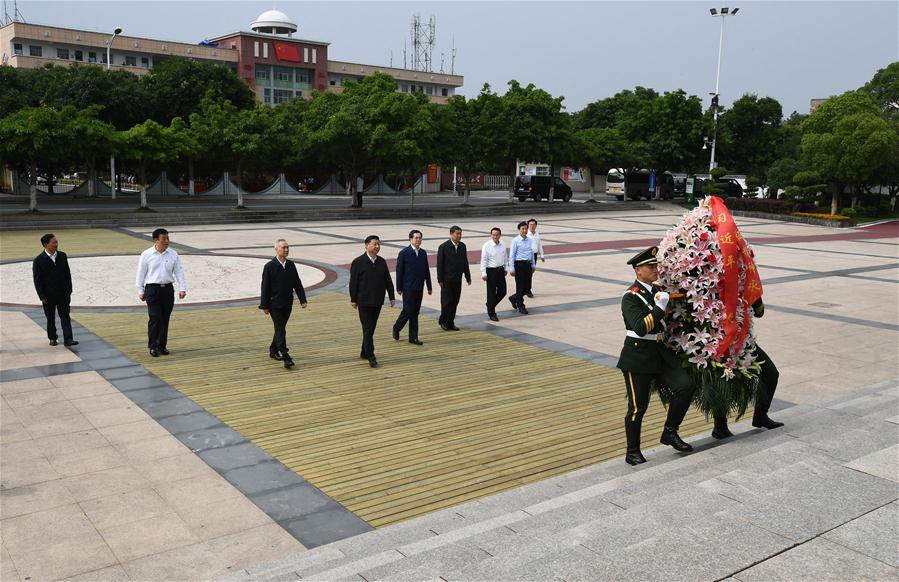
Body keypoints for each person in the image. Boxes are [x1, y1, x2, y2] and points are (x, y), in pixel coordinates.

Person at [617, 246, 695, 465]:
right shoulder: (630, 297)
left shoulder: (656, 290)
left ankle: (670, 431)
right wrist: (660, 306)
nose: (655, 269)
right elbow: (641, 328)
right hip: (638, 355)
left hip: (660, 351)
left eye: (655, 266)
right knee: (638, 407)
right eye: (650, 266)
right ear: (638, 270)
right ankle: (632, 451)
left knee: (685, 386)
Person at [711, 297, 785, 438]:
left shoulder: (746, 285)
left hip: (744, 341)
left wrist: (754, 296)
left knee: (770, 373)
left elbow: (759, 313)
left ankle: (761, 415)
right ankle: (720, 426)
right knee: (722, 380)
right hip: (719, 342)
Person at [135, 228, 187, 357]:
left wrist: (182, 288)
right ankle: (153, 346)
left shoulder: (173, 254)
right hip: (152, 289)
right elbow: (140, 273)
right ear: (156, 240)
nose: (167, 241)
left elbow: (179, 271)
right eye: (164, 239)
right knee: (155, 317)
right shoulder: (146, 254)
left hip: (167, 290)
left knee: (164, 318)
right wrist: (140, 290)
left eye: (168, 238)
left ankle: (162, 345)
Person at [259, 239, 308, 369]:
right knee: (280, 328)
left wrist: (302, 299)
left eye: (287, 247)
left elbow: (297, 282)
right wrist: (264, 305)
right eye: (283, 247)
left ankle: (273, 350)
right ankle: (286, 356)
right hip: (274, 305)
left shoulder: (291, 265)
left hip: (287, 303)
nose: (286, 250)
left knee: (280, 328)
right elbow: (265, 287)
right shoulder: (269, 266)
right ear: (276, 249)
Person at [349, 235, 395, 368]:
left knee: (371, 327)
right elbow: (353, 282)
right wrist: (353, 299)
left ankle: (364, 351)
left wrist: (391, 296)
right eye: (374, 244)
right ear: (366, 245)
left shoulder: (382, 262)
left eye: (379, 244)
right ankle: (371, 355)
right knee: (368, 327)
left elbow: (387, 280)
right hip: (363, 301)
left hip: (377, 300)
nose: (377, 246)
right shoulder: (358, 262)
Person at [32, 233, 77, 347]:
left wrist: (69, 289)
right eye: (53, 242)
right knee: (50, 318)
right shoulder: (38, 260)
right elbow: (37, 280)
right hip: (48, 296)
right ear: (45, 244)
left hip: (63, 293)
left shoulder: (62, 256)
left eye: (56, 242)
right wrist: (42, 296)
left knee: (65, 315)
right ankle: (52, 338)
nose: (56, 244)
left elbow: (67, 273)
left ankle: (68, 339)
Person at [393, 229, 432, 345]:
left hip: (419, 286)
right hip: (408, 287)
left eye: (420, 238)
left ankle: (413, 337)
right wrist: (399, 287)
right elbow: (399, 271)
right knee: (408, 311)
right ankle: (397, 328)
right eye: (416, 238)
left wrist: (429, 286)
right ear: (410, 239)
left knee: (415, 312)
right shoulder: (404, 253)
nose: (418, 240)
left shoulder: (423, 253)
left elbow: (426, 270)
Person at [436, 225, 471, 331]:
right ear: (451, 234)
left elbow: (465, 262)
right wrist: (440, 279)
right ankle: (443, 321)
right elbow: (439, 265)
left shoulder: (462, 246)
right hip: (447, 280)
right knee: (446, 302)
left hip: (457, 279)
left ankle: (450, 322)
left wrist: (468, 276)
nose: (459, 236)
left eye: (460, 234)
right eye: (457, 233)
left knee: (455, 301)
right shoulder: (443, 247)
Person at [507, 221, 536, 315]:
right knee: (520, 286)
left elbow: (531, 253)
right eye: (523, 229)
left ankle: (514, 298)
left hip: (528, 265)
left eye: (526, 229)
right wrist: (511, 268)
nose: (524, 230)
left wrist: (533, 265)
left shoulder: (529, 240)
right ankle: (521, 305)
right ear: (519, 230)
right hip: (519, 265)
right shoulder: (515, 240)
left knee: (528, 287)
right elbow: (512, 255)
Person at [480, 227, 507, 322]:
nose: (495, 237)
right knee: (491, 293)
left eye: (497, 235)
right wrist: (483, 273)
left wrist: (505, 268)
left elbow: (505, 256)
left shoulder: (503, 243)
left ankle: (490, 305)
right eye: (493, 235)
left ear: (500, 235)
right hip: (491, 271)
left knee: (503, 291)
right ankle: (492, 313)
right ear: (491, 235)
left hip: (500, 270)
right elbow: (483, 260)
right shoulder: (486, 246)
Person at [526, 218, 545, 298]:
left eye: (534, 224)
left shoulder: (537, 234)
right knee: (527, 273)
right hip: (527, 256)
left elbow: (539, 245)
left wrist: (542, 255)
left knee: (531, 272)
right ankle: (528, 290)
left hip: (534, 255)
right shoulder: (526, 234)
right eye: (530, 224)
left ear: (536, 225)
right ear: (528, 225)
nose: (532, 226)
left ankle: (527, 288)